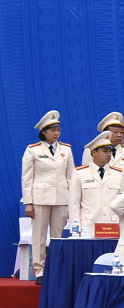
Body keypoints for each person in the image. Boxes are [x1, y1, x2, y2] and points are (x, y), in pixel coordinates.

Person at [22, 111, 72, 277]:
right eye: (52, 130)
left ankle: (56, 269)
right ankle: (40, 271)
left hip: (61, 198)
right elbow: (27, 178)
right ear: (43, 132)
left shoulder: (66, 150)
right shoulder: (33, 150)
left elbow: (71, 176)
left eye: (58, 130)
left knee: (58, 237)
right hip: (40, 199)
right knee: (39, 236)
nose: (56, 133)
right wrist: (28, 202)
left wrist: (71, 200)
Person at [70, 134, 122, 233]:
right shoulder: (80, 173)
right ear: (94, 152)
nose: (109, 154)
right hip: (88, 226)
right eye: (105, 151)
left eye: (110, 151)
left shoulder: (118, 174)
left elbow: (122, 202)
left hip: (112, 226)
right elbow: (74, 204)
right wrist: (75, 228)